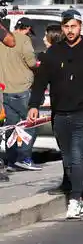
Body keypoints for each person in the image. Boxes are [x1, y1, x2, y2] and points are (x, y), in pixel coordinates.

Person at [28, 10, 83, 220]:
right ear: (62, 28)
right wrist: (33, 105)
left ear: (80, 27)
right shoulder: (53, 54)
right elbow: (40, 82)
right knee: (68, 159)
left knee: (78, 156)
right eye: (66, 27)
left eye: (73, 26)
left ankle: (75, 199)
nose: (70, 30)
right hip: (60, 114)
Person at [1, 18, 40, 174]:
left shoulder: (2, 39)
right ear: (28, 29)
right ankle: (24, 158)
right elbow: (31, 62)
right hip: (22, 89)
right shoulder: (24, 40)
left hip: (5, 90)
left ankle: (11, 160)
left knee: (11, 126)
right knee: (31, 124)